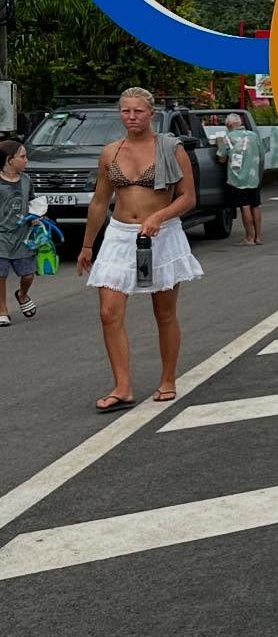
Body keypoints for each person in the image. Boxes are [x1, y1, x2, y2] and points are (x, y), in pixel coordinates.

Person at [78, 87, 203, 410]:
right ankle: (122, 386)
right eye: (125, 111)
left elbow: (188, 198)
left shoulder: (170, 149)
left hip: (161, 236)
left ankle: (168, 379)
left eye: (137, 111)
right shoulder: (110, 152)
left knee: (163, 312)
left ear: (151, 114)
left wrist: (160, 216)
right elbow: (100, 201)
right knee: (108, 312)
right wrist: (88, 244)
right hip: (119, 235)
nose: (131, 117)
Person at [0, 139, 38, 325]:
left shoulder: (26, 180)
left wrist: (37, 216)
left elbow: (32, 202)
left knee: (28, 274)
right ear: (9, 160)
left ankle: (22, 294)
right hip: (1, 236)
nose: (26, 160)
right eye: (22, 157)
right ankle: (2, 310)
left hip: (23, 236)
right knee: (0, 274)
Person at [216, 113, 266, 244]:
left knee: (245, 206)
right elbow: (261, 153)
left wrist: (218, 144)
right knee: (255, 206)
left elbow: (221, 159)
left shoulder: (228, 138)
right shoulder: (253, 136)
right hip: (253, 177)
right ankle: (258, 237)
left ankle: (249, 237)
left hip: (238, 179)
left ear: (229, 125)